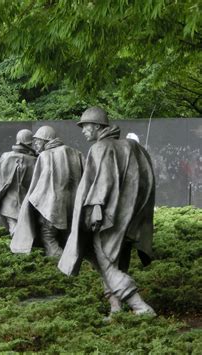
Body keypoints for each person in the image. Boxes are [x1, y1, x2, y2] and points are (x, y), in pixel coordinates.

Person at [58, 107, 156, 318]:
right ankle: (115, 308)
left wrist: (95, 209)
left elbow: (103, 181)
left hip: (105, 220)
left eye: (86, 127)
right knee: (116, 263)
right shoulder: (129, 147)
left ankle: (139, 305)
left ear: (97, 127)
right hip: (127, 220)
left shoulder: (100, 148)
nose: (84, 131)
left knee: (105, 263)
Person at [10, 126, 84, 256]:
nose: (36, 145)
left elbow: (39, 184)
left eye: (38, 142)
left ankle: (52, 247)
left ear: (46, 141)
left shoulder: (46, 155)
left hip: (52, 198)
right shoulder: (75, 152)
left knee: (47, 227)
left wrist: (33, 200)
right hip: (74, 199)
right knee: (69, 225)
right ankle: (70, 248)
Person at [0, 129, 37, 234]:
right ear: (30, 143)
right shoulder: (33, 161)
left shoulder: (6, 156)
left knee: (9, 226)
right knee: (16, 230)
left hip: (6, 202)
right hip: (20, 204)